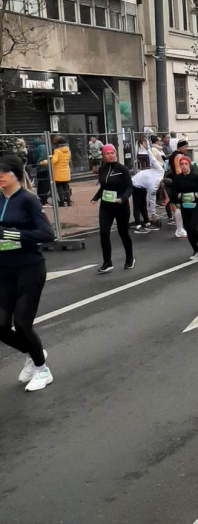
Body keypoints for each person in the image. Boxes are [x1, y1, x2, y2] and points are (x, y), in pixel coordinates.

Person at [0, 155, 56, 391]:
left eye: (2, 172)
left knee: (22, 322)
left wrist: (15, 235)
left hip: (30, 269)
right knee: (1, 325)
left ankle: (43, 370)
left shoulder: (28, 200)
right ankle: (32, 353)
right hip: (4, 270)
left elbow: (47, 234)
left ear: (15, 174)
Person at [91, 144, 134, 272]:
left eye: (112, 153)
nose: (110, 155)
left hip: (120, 205)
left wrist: (123, 198)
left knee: (123, 232)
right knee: (104, 233)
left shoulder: (122, 169)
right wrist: (95, 197)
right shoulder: (102, 169)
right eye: (107, 153)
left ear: (115, 154)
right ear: (103, 156)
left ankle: (130, 258)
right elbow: (104, 187)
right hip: (106, 205)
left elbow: (130, 187)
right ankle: (107, 262)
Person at [168, 156, 198, 259]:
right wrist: (178, 196)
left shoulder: (196, 177)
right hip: (185, 206)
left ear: (189, 165)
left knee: (193, 227)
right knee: (188, 229)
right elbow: (173, 192)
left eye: (185, 164)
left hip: (196, 205)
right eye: (181, 164)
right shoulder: (177, 179)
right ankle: (195, 250)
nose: (183, 166)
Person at [131, 156, 163, 234]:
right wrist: (153, 214)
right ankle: (138, 225)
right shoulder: (153, 186)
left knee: (143, 205)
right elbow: (152, 200)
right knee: (137, 205)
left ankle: (147, 223)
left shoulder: (161, 171)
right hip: (135, 183)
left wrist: (153, 213)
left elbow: (154, 160)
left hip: (143, 184)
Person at [50, 136, 72, 206]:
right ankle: (69, 202)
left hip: (58, 172)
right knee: (66, 187)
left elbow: (54, 160)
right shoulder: (68, 150)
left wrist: (51, 157)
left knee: (60, 188)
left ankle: (62, 202)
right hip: (66, 171)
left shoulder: (57, 151)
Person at [28, 137, 51, 206]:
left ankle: (42, 200)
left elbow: (37, 157)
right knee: (46, 184)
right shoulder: (45, 146)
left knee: (41, 184)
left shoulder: (38, 148)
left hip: (41, 169)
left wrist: (36, 164)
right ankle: (45, 199)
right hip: (47, 167)